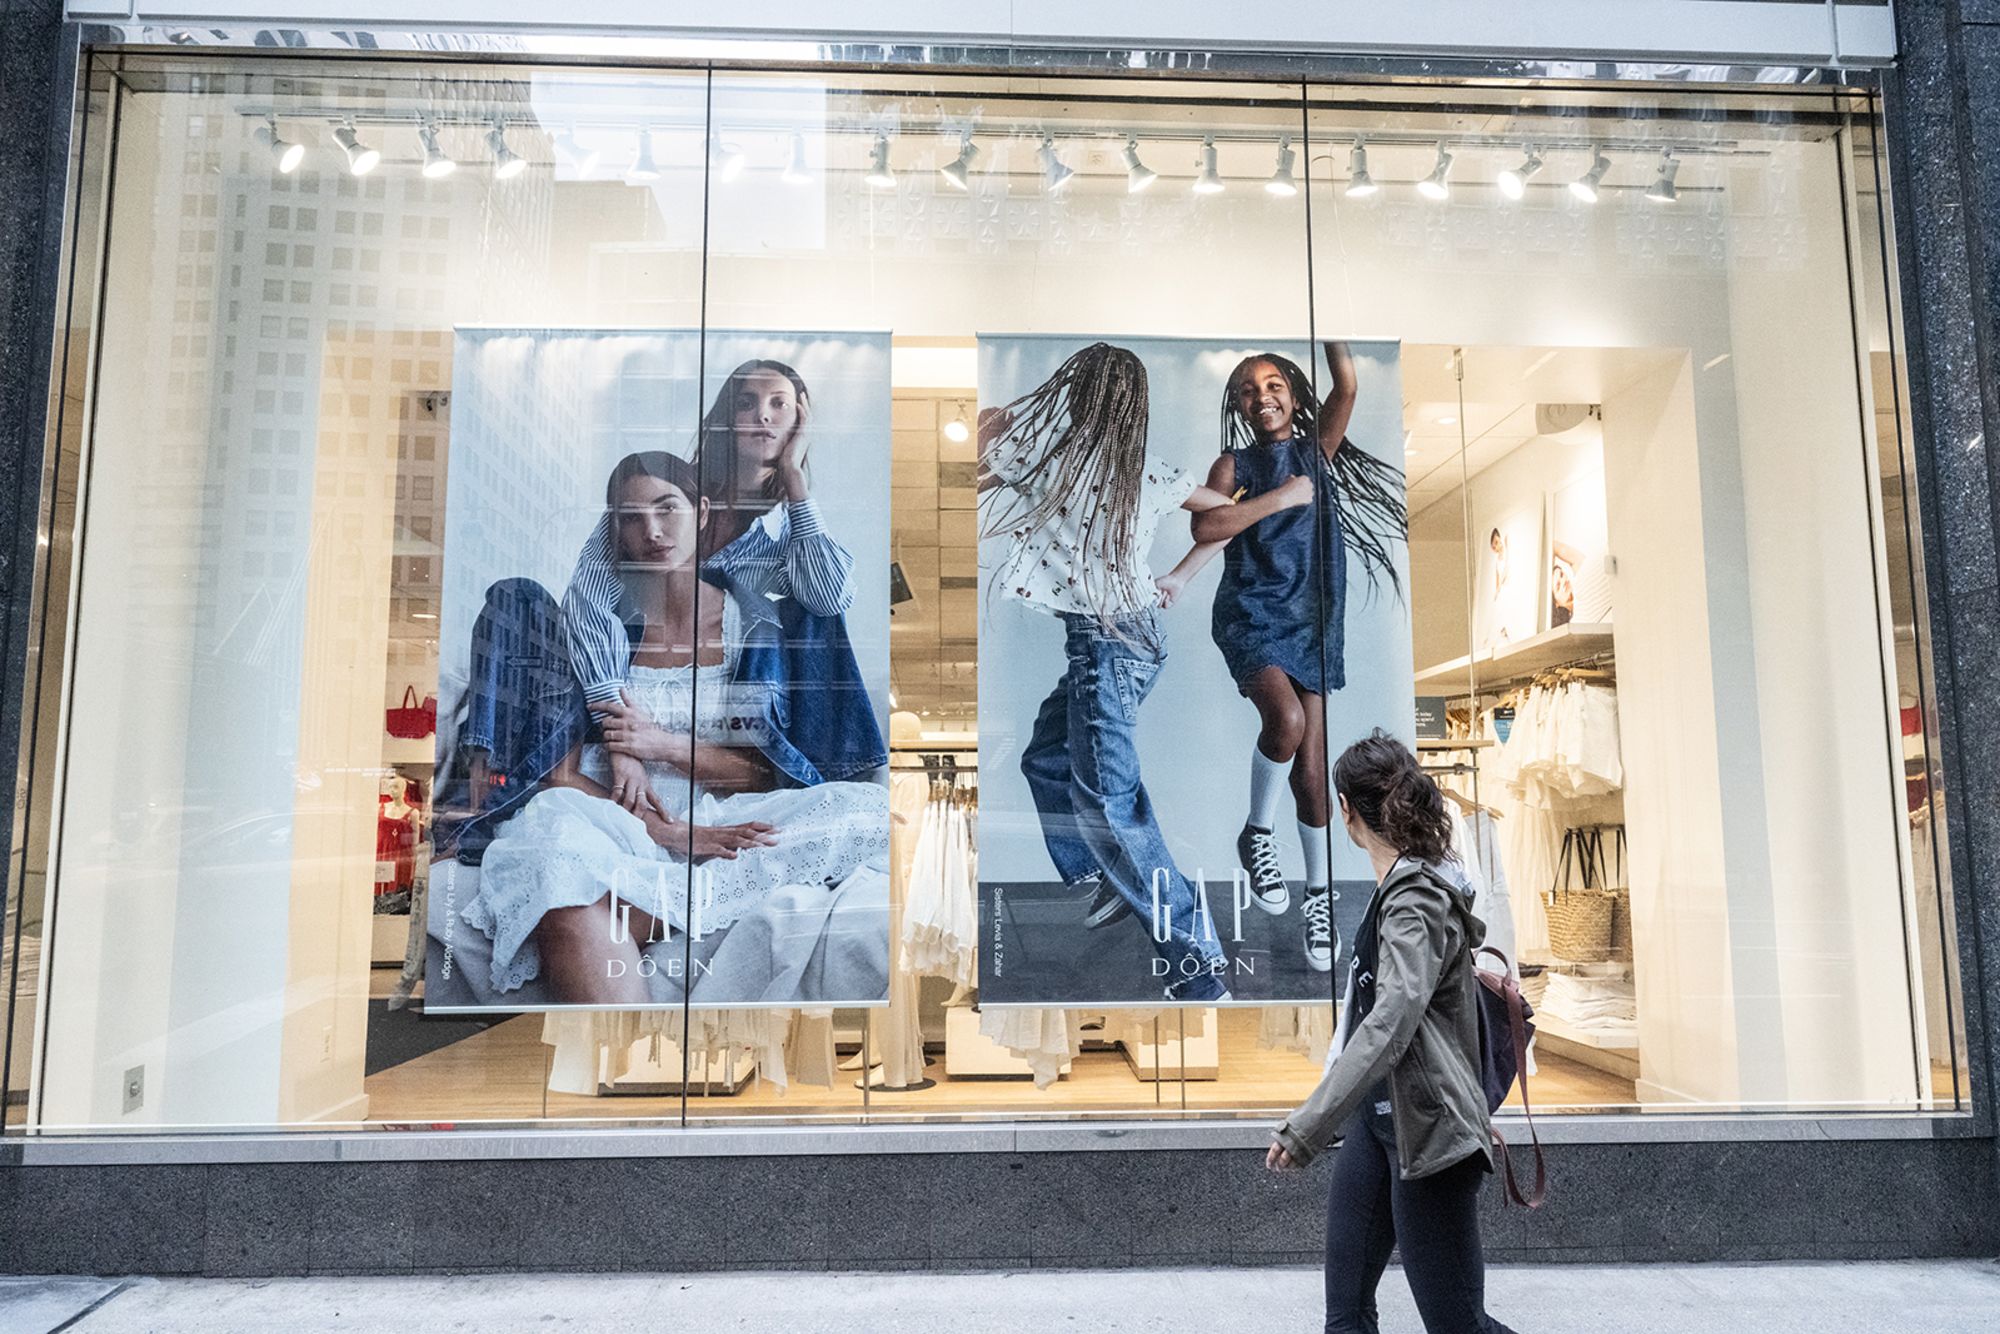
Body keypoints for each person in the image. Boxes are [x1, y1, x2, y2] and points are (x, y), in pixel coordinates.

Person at [461, 452, 888, 1003]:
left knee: (868, 811)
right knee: (552, 855)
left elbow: (765, 774)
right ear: (611, 531)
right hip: (603, 815)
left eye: (667, 509)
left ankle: (649, 908)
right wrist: (663, 833)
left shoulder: (751, 623)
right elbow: (554, 771)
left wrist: (656, 744)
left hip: (722, 815)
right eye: (630, 518)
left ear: (701, 510)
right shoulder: (592, 628)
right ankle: (630, 1041)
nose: (652, 531)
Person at [980, 341, 1243, 1002]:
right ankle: (1105, 879)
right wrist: (1181, 574)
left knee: (1111, 804)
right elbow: (1224, 515)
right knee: (1045, 757)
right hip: (1132, 639)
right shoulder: (1151, 472)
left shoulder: (1049, 462)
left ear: (1073, 398)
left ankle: (1197, 962)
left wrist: (990, 423)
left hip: (1106, 645)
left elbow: (979, 459)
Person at [1266, 731, 1519, 1334]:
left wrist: (1308, 1124)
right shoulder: (1396, 888)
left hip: (1428, 1138)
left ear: (1348, 812)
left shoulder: (1414, 901)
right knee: (1346, 1316)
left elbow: (1390, 1020)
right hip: (1379, 1128)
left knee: (1459, 1326)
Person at [565, 359, 870, 822]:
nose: (763, 416)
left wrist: (794, 478)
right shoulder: (663, 491)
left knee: (812, 610)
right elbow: (587, 600)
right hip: (639, 645)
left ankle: (820, 774)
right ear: (725, 417)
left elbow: (829, 599)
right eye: (746, 403)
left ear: (800, 420)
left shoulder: (785, 528)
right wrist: (621, 734)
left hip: (739, 666)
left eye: (778, 404)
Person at [1194, 342, 1406, 974]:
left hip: (1312, 621)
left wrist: (1334, 315)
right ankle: (1257, 833)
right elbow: (1207, 528)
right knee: (1284, 725)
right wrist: (1281, 498)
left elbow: (1345, 385)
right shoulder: (1235, 464)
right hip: (1252, 614)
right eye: (1248, 391)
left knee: (1314, 773)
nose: (1263, 397)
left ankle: (1319, 896)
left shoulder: (1317, 450)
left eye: (1273, 384)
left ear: (1290, 388)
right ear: (1238, 405)